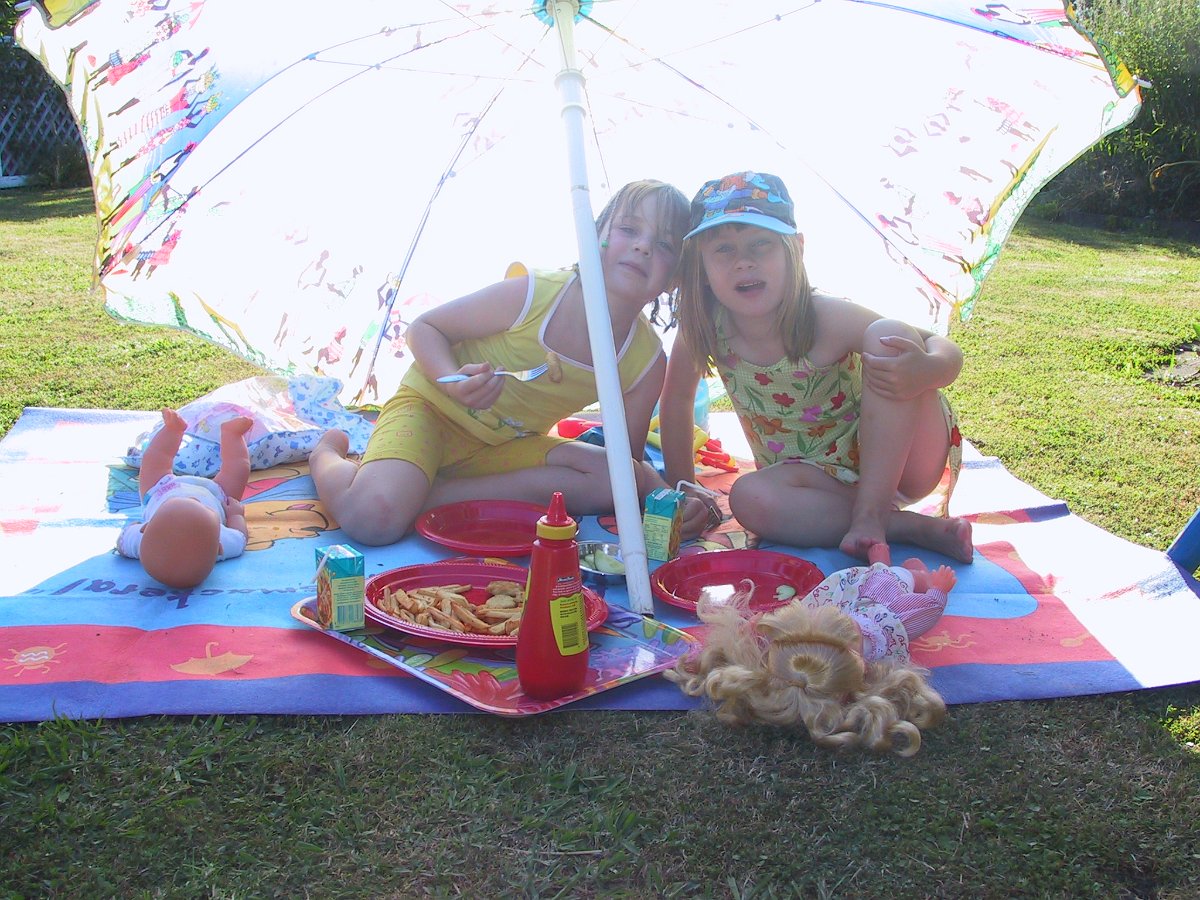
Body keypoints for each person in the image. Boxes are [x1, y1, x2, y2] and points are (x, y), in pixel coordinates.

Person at [311, 179, 715, 546]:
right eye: (629, 229)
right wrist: (452, 380)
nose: (643, 246)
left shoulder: (645, 362)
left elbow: (623, 464)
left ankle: (420, 493)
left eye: (664, 245)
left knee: (613, 479)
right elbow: (425, 328)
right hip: (430, 412)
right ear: (594, 237)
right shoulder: (535, 296)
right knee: (373, 519)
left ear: (675, 277)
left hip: (506, 449)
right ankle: (327, 456)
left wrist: (665, 493)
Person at [658, 171, 972, 564]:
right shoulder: (704, 328)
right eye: (724, 249)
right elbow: (677, 401)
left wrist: (930, 369)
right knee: (748, 497)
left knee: (889, 335)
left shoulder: (827, 317)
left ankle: (874, 513)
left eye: (761, 244)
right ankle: (905, 527)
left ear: (796, 249)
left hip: (901, 461)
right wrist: (685, 487)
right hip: (808, 484)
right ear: (700, 266)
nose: (744, 262)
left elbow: (939, 346)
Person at [665, 546, 956, 756]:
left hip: (856, 593)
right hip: (883, 597)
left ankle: (885, 564)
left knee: (887, 574)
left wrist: (752, 631)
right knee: (903, 577)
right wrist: (937, 591)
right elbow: (926, 612)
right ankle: (906, 572)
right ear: (861, 665)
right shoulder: (885, 635)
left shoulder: (796, 663)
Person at [117, 408, 252, 588]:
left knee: (155, 460)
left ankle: (173, 430)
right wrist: (235, 515)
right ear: (218, 548)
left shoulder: (140, 542)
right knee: (238, 469)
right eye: (203, 507)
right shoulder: (223, 543)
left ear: (146, 528)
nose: (192, 499)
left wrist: (131, 529)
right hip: (217, 494)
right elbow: (240, 537)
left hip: (161, 489)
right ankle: (232, 434)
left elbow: (122, 541)